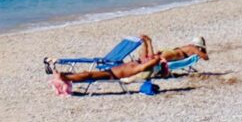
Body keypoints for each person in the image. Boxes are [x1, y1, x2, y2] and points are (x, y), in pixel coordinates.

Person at [53, 38, 207, 89]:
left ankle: (67, 78)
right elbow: (147, 56)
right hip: (113, 69)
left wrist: (156, 56)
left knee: (89, 74)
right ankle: (66, 76)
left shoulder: (142, 66)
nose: (144, 57)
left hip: (113, 74)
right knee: (89, 73)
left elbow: (149, 59)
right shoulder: (141, 62)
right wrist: (147, 42)